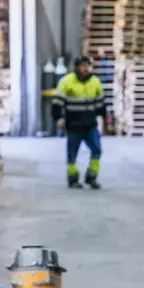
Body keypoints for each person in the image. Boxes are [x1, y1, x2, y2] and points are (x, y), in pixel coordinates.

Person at [50, 56, 111, 189]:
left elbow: (101, 104)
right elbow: (57, 103)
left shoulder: (95, 82)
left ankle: (91, 177)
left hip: (90, 124)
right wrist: (59, 118)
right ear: (76, 67)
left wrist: (104, 120)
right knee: (72, 154)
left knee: (97, 150)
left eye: (87, 66)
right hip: (73, 125)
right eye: (82, 66)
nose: (85, 69)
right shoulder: (66, 82)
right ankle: (72, 179)